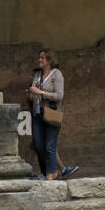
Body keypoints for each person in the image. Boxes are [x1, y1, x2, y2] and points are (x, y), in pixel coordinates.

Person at [26, 49, 64, 181]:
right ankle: (47, 171)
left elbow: (59, 96)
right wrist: (31, 93)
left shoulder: (56, 74)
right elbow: (32, 95)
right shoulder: (37, 74)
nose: (39, 60)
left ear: (49, 60)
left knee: (49, 145)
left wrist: (41, 93)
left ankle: (51, 173)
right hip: (37, 113)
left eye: (42, 58)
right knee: (38, 144)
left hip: (51, 113)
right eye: (39, 57)